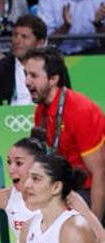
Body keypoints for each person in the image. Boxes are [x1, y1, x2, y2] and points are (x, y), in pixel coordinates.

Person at [25, 47, 105, 221]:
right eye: (26, 74)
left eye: (33, 76)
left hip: (91, 190)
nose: (27, 81)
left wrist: (96, 227)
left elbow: (100, 173)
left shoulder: (80, 110)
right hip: (67, 188)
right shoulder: (41, 112)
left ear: (53, 79)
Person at [0, 14, 47, 106]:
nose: (17, 41)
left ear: (40, 43)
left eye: (24, 37)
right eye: (15, 35)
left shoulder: (53, 70)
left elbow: (63, 106)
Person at [37, 0, 105, 55]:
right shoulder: (47, 1)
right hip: (57, 55)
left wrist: (98, 24)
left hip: (93, 53)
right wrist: (65, 26)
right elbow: (44, 45)